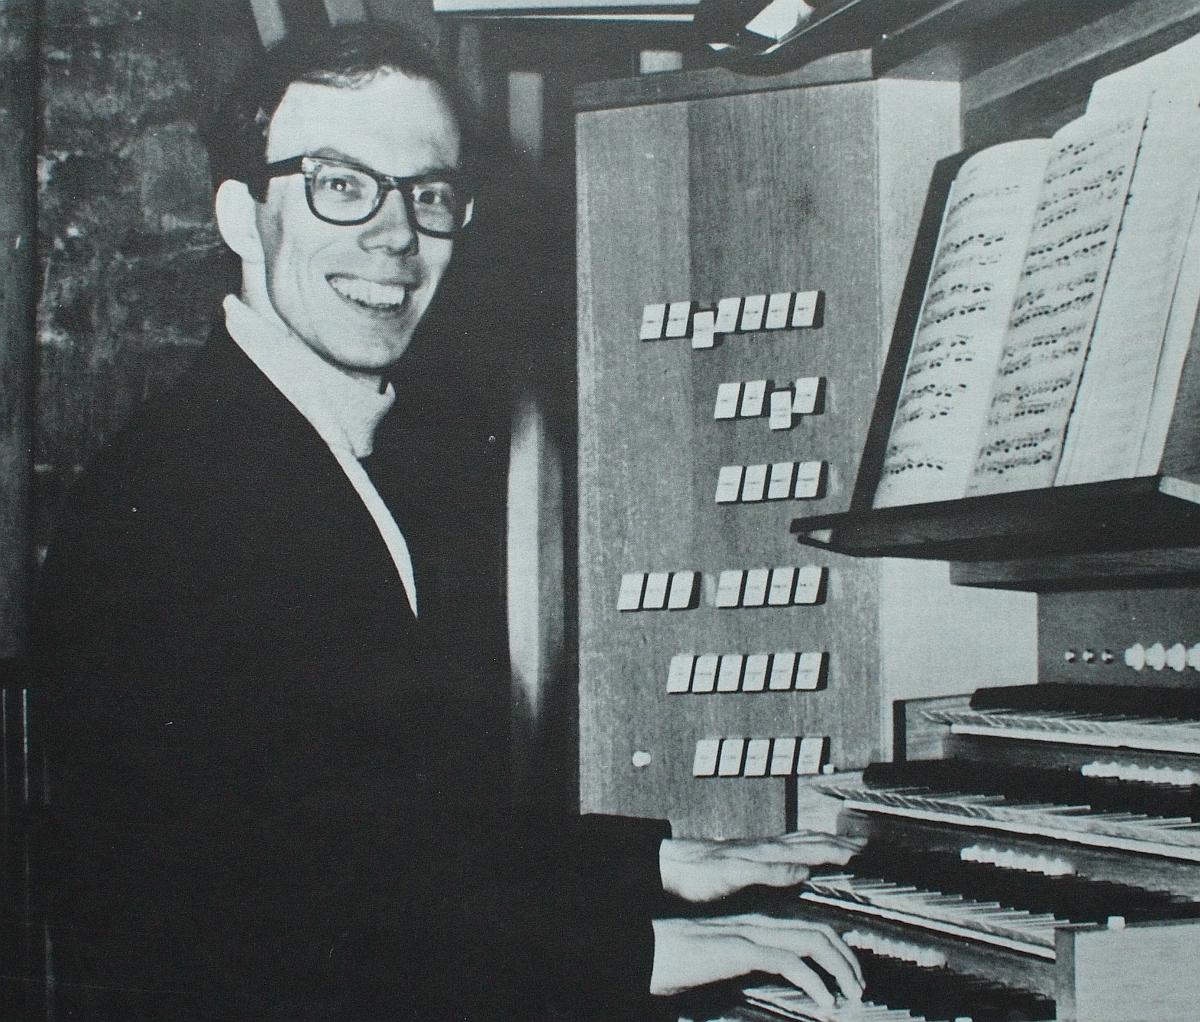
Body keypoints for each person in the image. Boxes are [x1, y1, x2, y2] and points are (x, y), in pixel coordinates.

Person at [30, 23, 864, 1021]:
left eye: (428, 195)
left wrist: (657, 862)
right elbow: (255, 918)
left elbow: (357, 833)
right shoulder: (190, 501)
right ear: (243, 219)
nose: (394, 237)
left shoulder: (290, 448)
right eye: (341, 185)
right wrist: (637, 950)